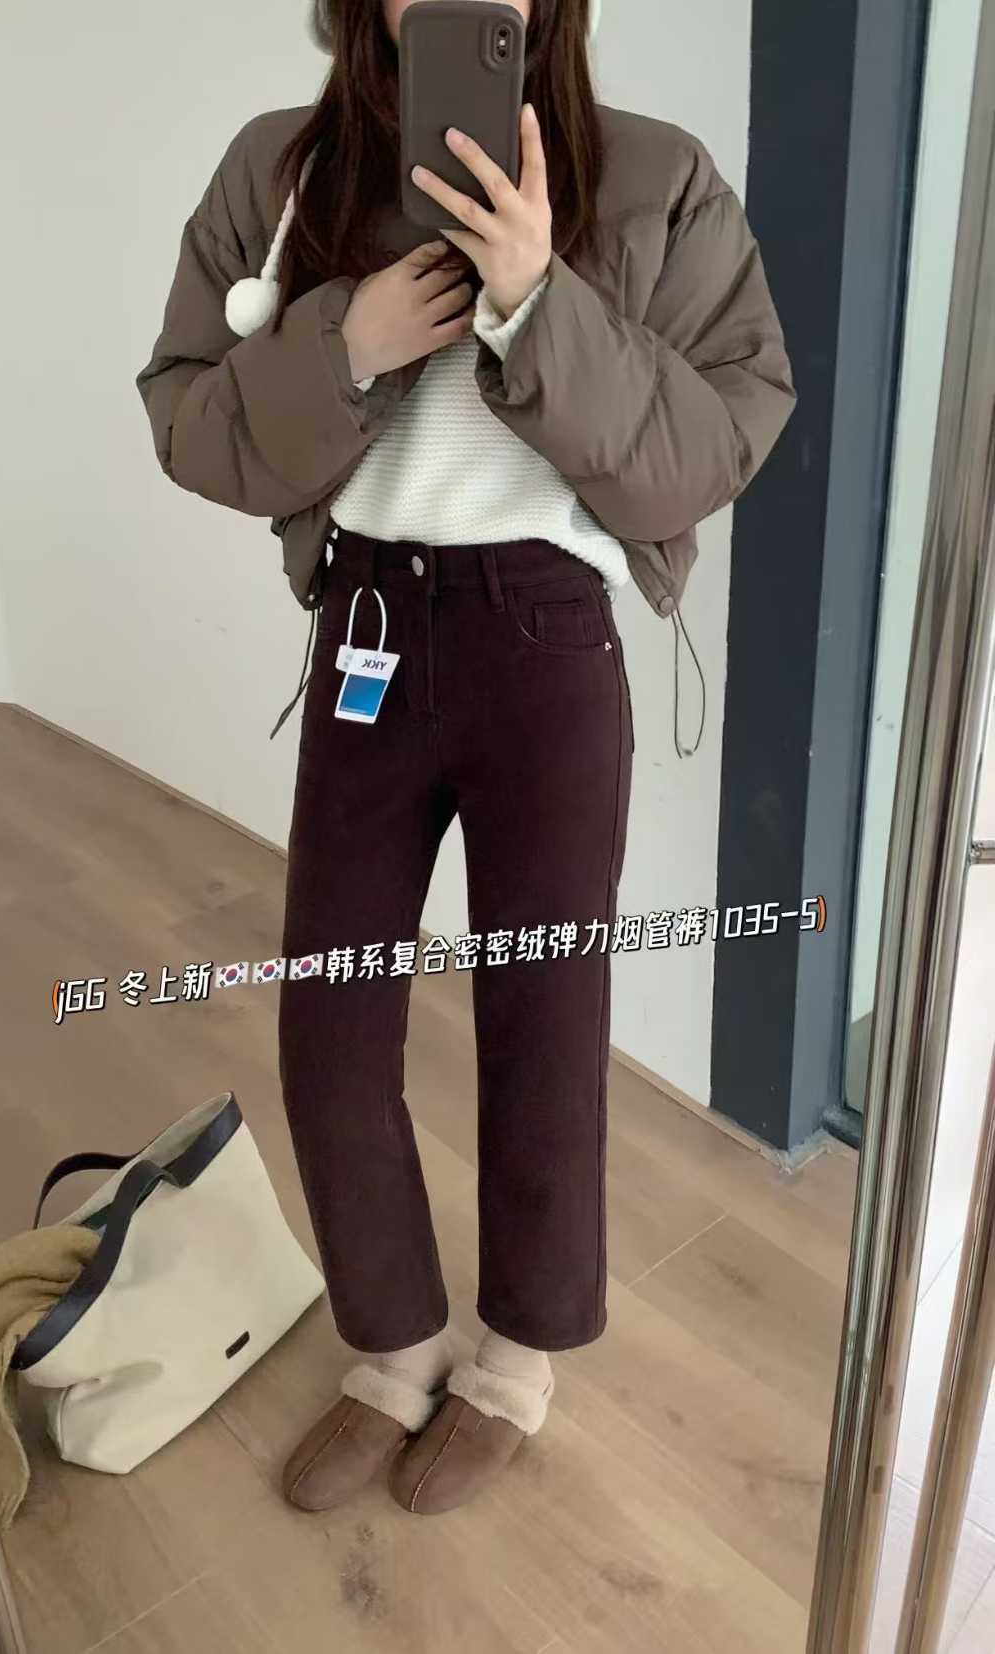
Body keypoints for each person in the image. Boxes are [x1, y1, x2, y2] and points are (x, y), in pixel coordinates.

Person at [135, 0, 796, 1517]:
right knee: (330, 1019)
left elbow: (712, 448)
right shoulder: (283, 174)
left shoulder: (656, 179)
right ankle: (395, 1345)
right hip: (368, 620)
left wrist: (536, 301)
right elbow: (188, 420)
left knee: (542, 1015)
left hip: (546, 641)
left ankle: (516, 1362)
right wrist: (346, 344)